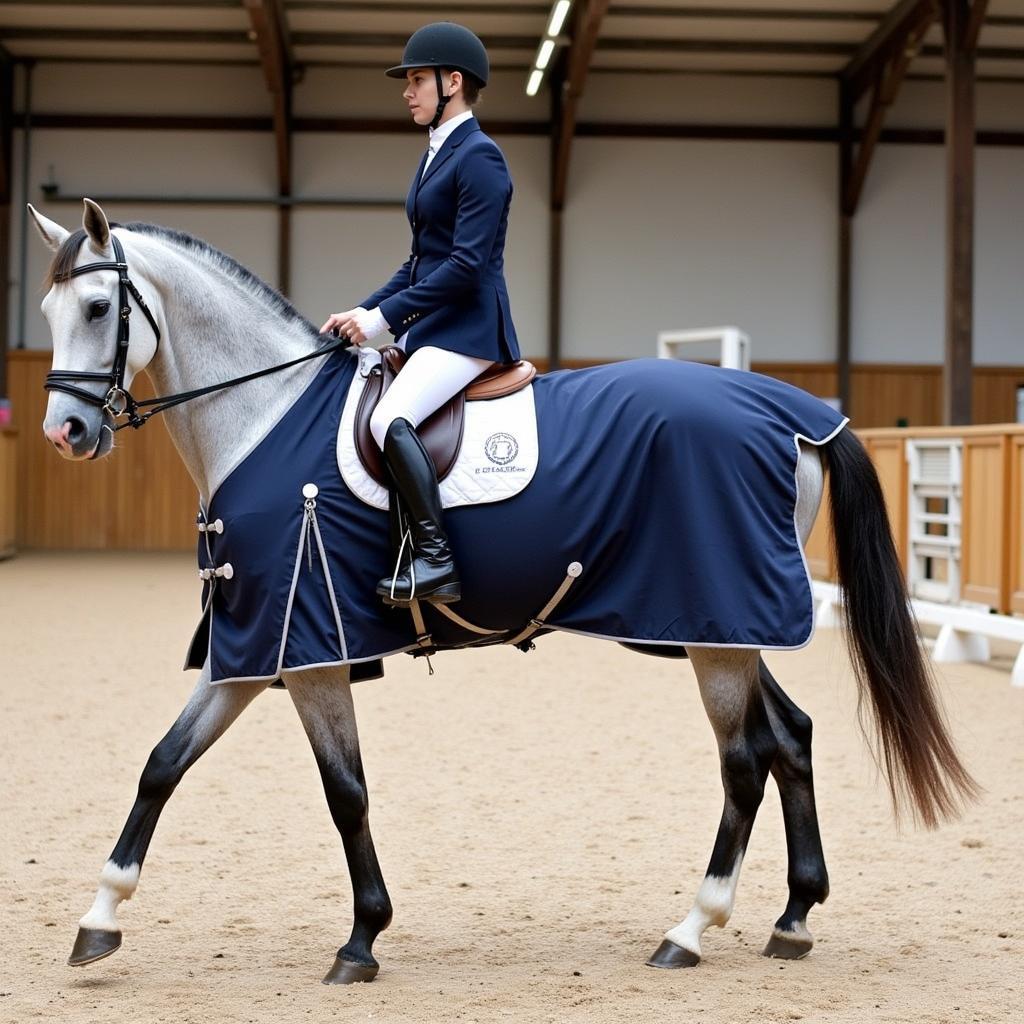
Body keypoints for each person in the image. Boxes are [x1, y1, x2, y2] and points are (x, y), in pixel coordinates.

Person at [321, 22, 520, 608]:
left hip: (469, 330)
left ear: (451, 82)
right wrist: (362, 310)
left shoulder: (481, 157)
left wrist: (383, 321)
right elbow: (418, 263)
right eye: (407, 82)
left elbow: (465, 267)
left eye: (416, 80)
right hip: (437, 326)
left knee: (389, 420)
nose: (407, 92)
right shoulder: (437, 153)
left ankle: (435, 557)